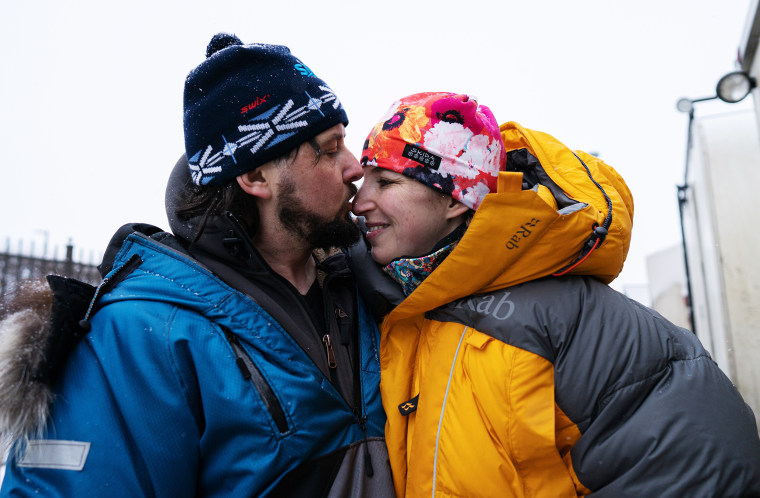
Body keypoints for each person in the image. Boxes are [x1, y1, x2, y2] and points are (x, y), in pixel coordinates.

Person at [0, 34, 395, 497]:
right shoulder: (144, 334)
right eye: (329, 150)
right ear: (253, 177)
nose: (355, 167)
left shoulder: (376, 291)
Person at [349, 91, 760, 497]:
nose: (360, 201)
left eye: (385, 182)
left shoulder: (572, 320)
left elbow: (701, 462)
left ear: (455, 198)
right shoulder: (395, 308)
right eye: (364, 180)